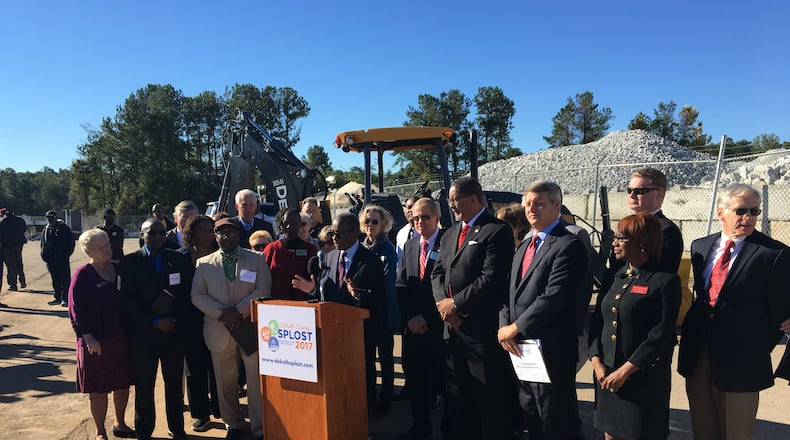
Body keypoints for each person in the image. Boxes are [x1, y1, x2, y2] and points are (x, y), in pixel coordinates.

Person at [678, 184, 790, 439]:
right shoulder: (700, 247)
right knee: (703, 429)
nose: (748, 218)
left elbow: (779, 307)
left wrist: (756, 346)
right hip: (699, 355)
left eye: (754, 211)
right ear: (721, 213)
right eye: (741, 210)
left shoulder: (774, 254)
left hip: (742, 361)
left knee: (735, 431)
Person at [498, 180, 589, 439]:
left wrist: (515, 328)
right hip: (521, 348)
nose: (531, 209)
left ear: (556, 204)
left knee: (556, 417)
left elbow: (554, 297)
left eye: (539, 203)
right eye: (528, 204)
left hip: (551, 348)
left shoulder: (568, 245)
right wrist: (505, 325)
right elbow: (509, 293)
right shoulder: (525, 246)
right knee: (531, 413)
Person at [431, 176, 519, 439]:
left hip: (480, 332)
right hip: (453, 333)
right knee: (458, 400)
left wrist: (457, 305)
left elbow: (491, 278)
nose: (451, 206)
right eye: (450, 201)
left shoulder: (495, 230)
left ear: (473, 198)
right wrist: (443, 306)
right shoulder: (449, 234)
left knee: (490, 400)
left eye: (455, 200)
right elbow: (437, 273)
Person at [588, 212, 681, 439]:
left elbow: (659, 335)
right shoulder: (616, 276)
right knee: (610, 433)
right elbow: (598, 321)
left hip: (641, 382)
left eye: (622, 238)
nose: (615, 243)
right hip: (608, 377)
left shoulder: (664, 281)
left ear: (643, 243)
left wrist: (624, 372)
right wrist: (597, 363)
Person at [291, 212, 385, 415]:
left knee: (362, 372)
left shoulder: (371, 260)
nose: (334, 238)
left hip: (360, 330)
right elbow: (327, 293)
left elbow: (380, 298)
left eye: (340, 234)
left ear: (353, 234)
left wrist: (359, 295)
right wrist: (312, 291)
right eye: (333, 233)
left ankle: (365, 411)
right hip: (333, 329)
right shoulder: (329, 256)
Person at [191, 217, 272, 440]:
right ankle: (233, 424)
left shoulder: (256, 258)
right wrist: (221, 313)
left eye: (231, 232)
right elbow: (197, 295)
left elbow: (263, 288)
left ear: (239, 234)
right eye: (221, 232)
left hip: (248, 327)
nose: (226, 236)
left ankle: (259, 427)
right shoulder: (204, 263)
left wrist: (239, 311)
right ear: (214, 236)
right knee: (225, 381)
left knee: (256, 381)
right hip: (219, 328)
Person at [120, 218, 194, 440]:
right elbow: (127, 302)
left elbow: (187, 296)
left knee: (174, 387)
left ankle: (177, 428)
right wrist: (153, 322)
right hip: (144, 336)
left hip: (173, 333)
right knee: (144, 387)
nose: (158, 237)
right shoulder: (130, 262)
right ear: (142, 235)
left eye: (162, 233)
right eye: (151, 233)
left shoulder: (179, 259)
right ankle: (144, 431)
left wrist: (173, 321)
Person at [68, 229, 135, 440]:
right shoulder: (82, 275)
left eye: (107, 244)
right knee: (98, 388)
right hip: (95, 340)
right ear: (88, 251)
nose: (106, 249)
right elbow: (75, 309)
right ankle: (99, 430)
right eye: (100, 247)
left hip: (120, 337)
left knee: (122, 382)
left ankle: (120, 423)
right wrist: (87, 336)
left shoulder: (119, 268)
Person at [395, 197, 445, 439]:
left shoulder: (449, 243)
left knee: (445, 383)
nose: (420, 222)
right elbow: (402, 285)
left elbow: (450, 288)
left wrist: (427, 318)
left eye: (425, 217)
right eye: (415, 217)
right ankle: (420, 427)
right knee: (416, 382)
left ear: (437, 218)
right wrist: (411, 319)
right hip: (413, 328)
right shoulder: (411, 245)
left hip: (440, 328)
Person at [359, 204, 401, 417]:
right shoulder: (360, 248)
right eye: (367, 221)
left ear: (383, 225)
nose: (370, 225)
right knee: (367, 359)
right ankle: (369, 398)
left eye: (375, 221)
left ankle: (385, 398)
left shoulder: (388, 250)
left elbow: (387, 282)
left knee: (385, 358)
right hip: (365, 314)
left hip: (383, 312)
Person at [180, 215, 221, 432]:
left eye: (211, 230)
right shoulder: (180, 258)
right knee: (194, 369)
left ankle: (220, 409)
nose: (210, 234)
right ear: (192, 233)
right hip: (190, 322)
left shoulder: (220, 255)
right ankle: (201, 414)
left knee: (218, 367)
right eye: (205, 230)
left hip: (216, 319)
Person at [626, 167, 683, 275]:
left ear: (659, 194)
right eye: (629, 190)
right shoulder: (626, 225)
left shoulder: (666, 230)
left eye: (640, 191)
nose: (631, 195)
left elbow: (659, 276)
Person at [262, 208, 317, 300]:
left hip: (305, 306)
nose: (289, 227)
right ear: (280, 226)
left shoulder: (311, 250)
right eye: (286, 223)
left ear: (299, 225)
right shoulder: (271, 249)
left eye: (294, 223)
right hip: (277, 307)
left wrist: (312, 289)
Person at [40, 210, 75, 306]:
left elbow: (71, 243)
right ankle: (57, 297)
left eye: (52, 217)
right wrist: (44, 256)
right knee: (55, 279)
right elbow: (43, 243)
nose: (50, 220)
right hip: (51, 260)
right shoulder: (46, 229)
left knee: (65, 279)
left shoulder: (64, 228)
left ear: (55, 217)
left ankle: (66, 299)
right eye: (48, 218)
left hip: (62, 259)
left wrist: (66, 255)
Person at [1, 208, 28, 290]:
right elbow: (24, 229)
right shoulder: (19, 220)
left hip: (8, 246)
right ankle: (22, 281)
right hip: (19, 245)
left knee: (11, 266)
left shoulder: (2, 222)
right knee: (19, 263)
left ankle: (13, 284)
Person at [395, 195, 420, 267]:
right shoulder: (401, 234)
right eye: (408, 207)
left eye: (413, 207)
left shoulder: (426, 231)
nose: (410, 210)